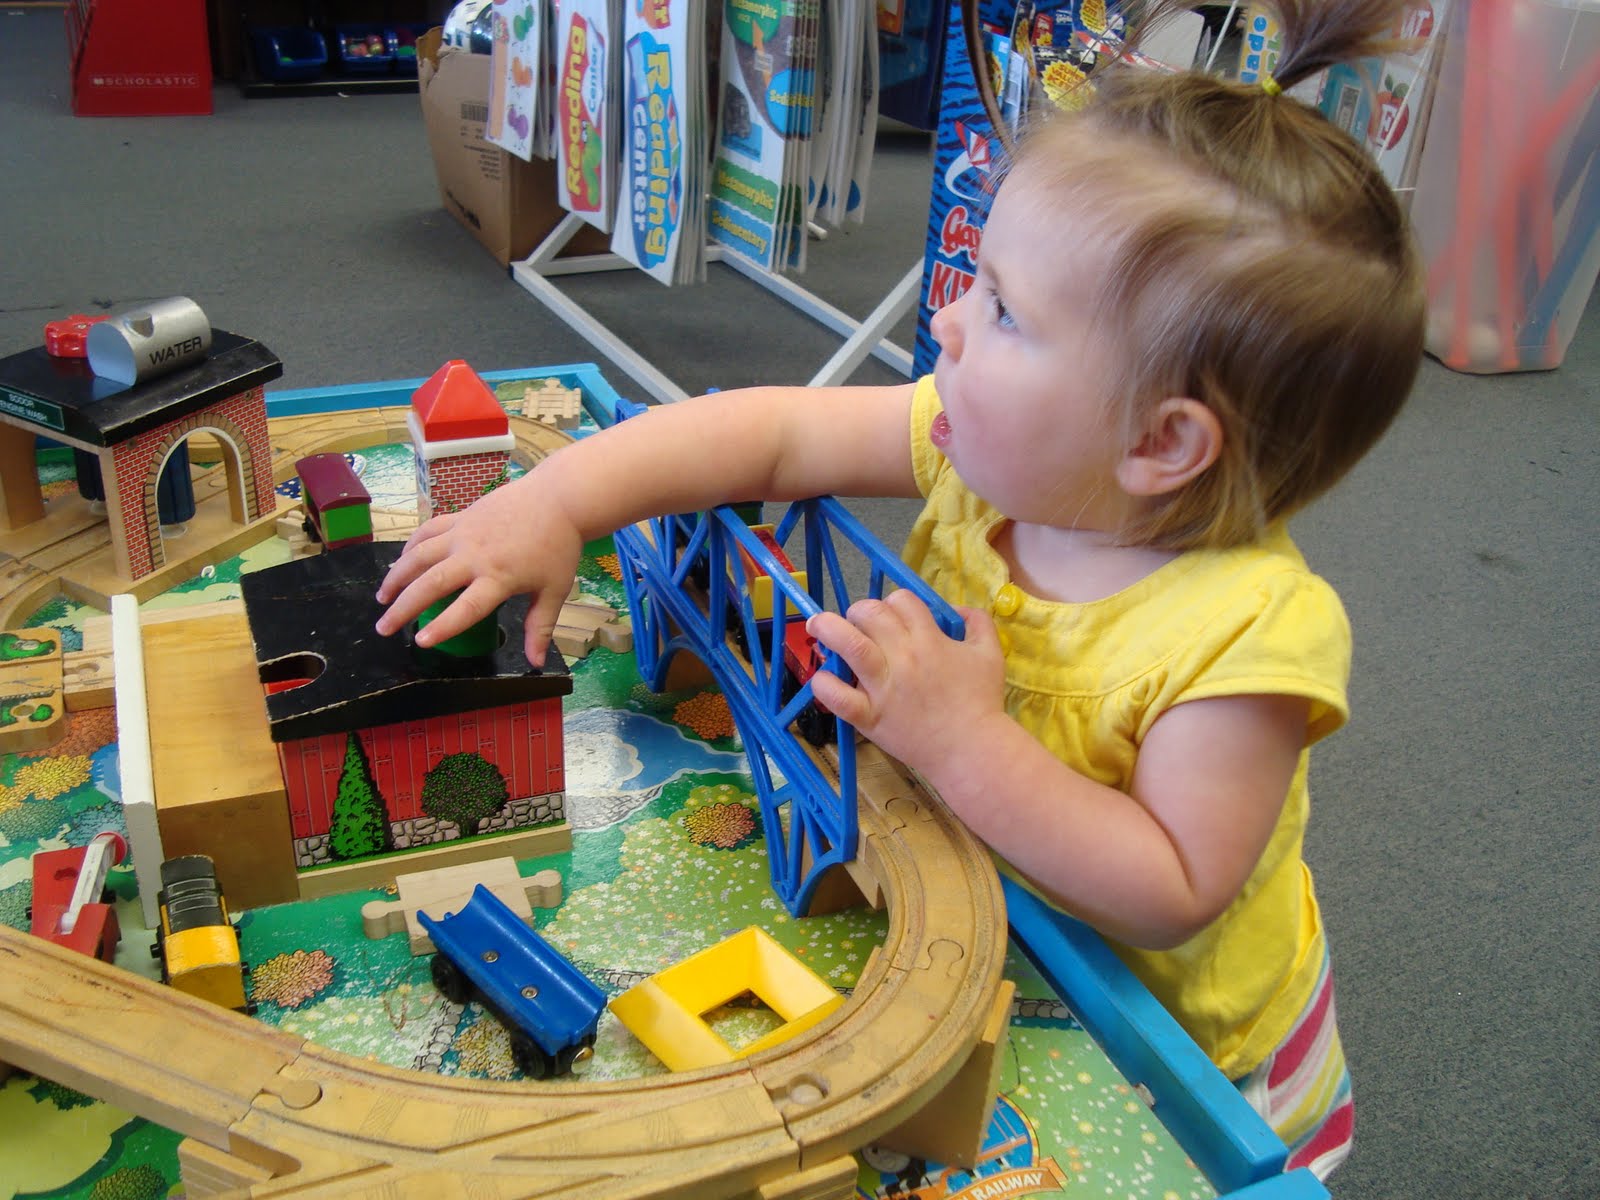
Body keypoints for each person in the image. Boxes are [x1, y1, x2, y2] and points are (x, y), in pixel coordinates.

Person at [375, 0, 1425, 1178]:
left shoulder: (1247, 635)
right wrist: (557, 501)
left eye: (1004, 311)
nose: (949, 322)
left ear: (1160, 443)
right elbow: (770, 433)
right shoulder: (992, 456)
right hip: (999, 932)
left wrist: (964, 743)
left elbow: (1171, 887)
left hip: (1182, 1056)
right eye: (972, 280)